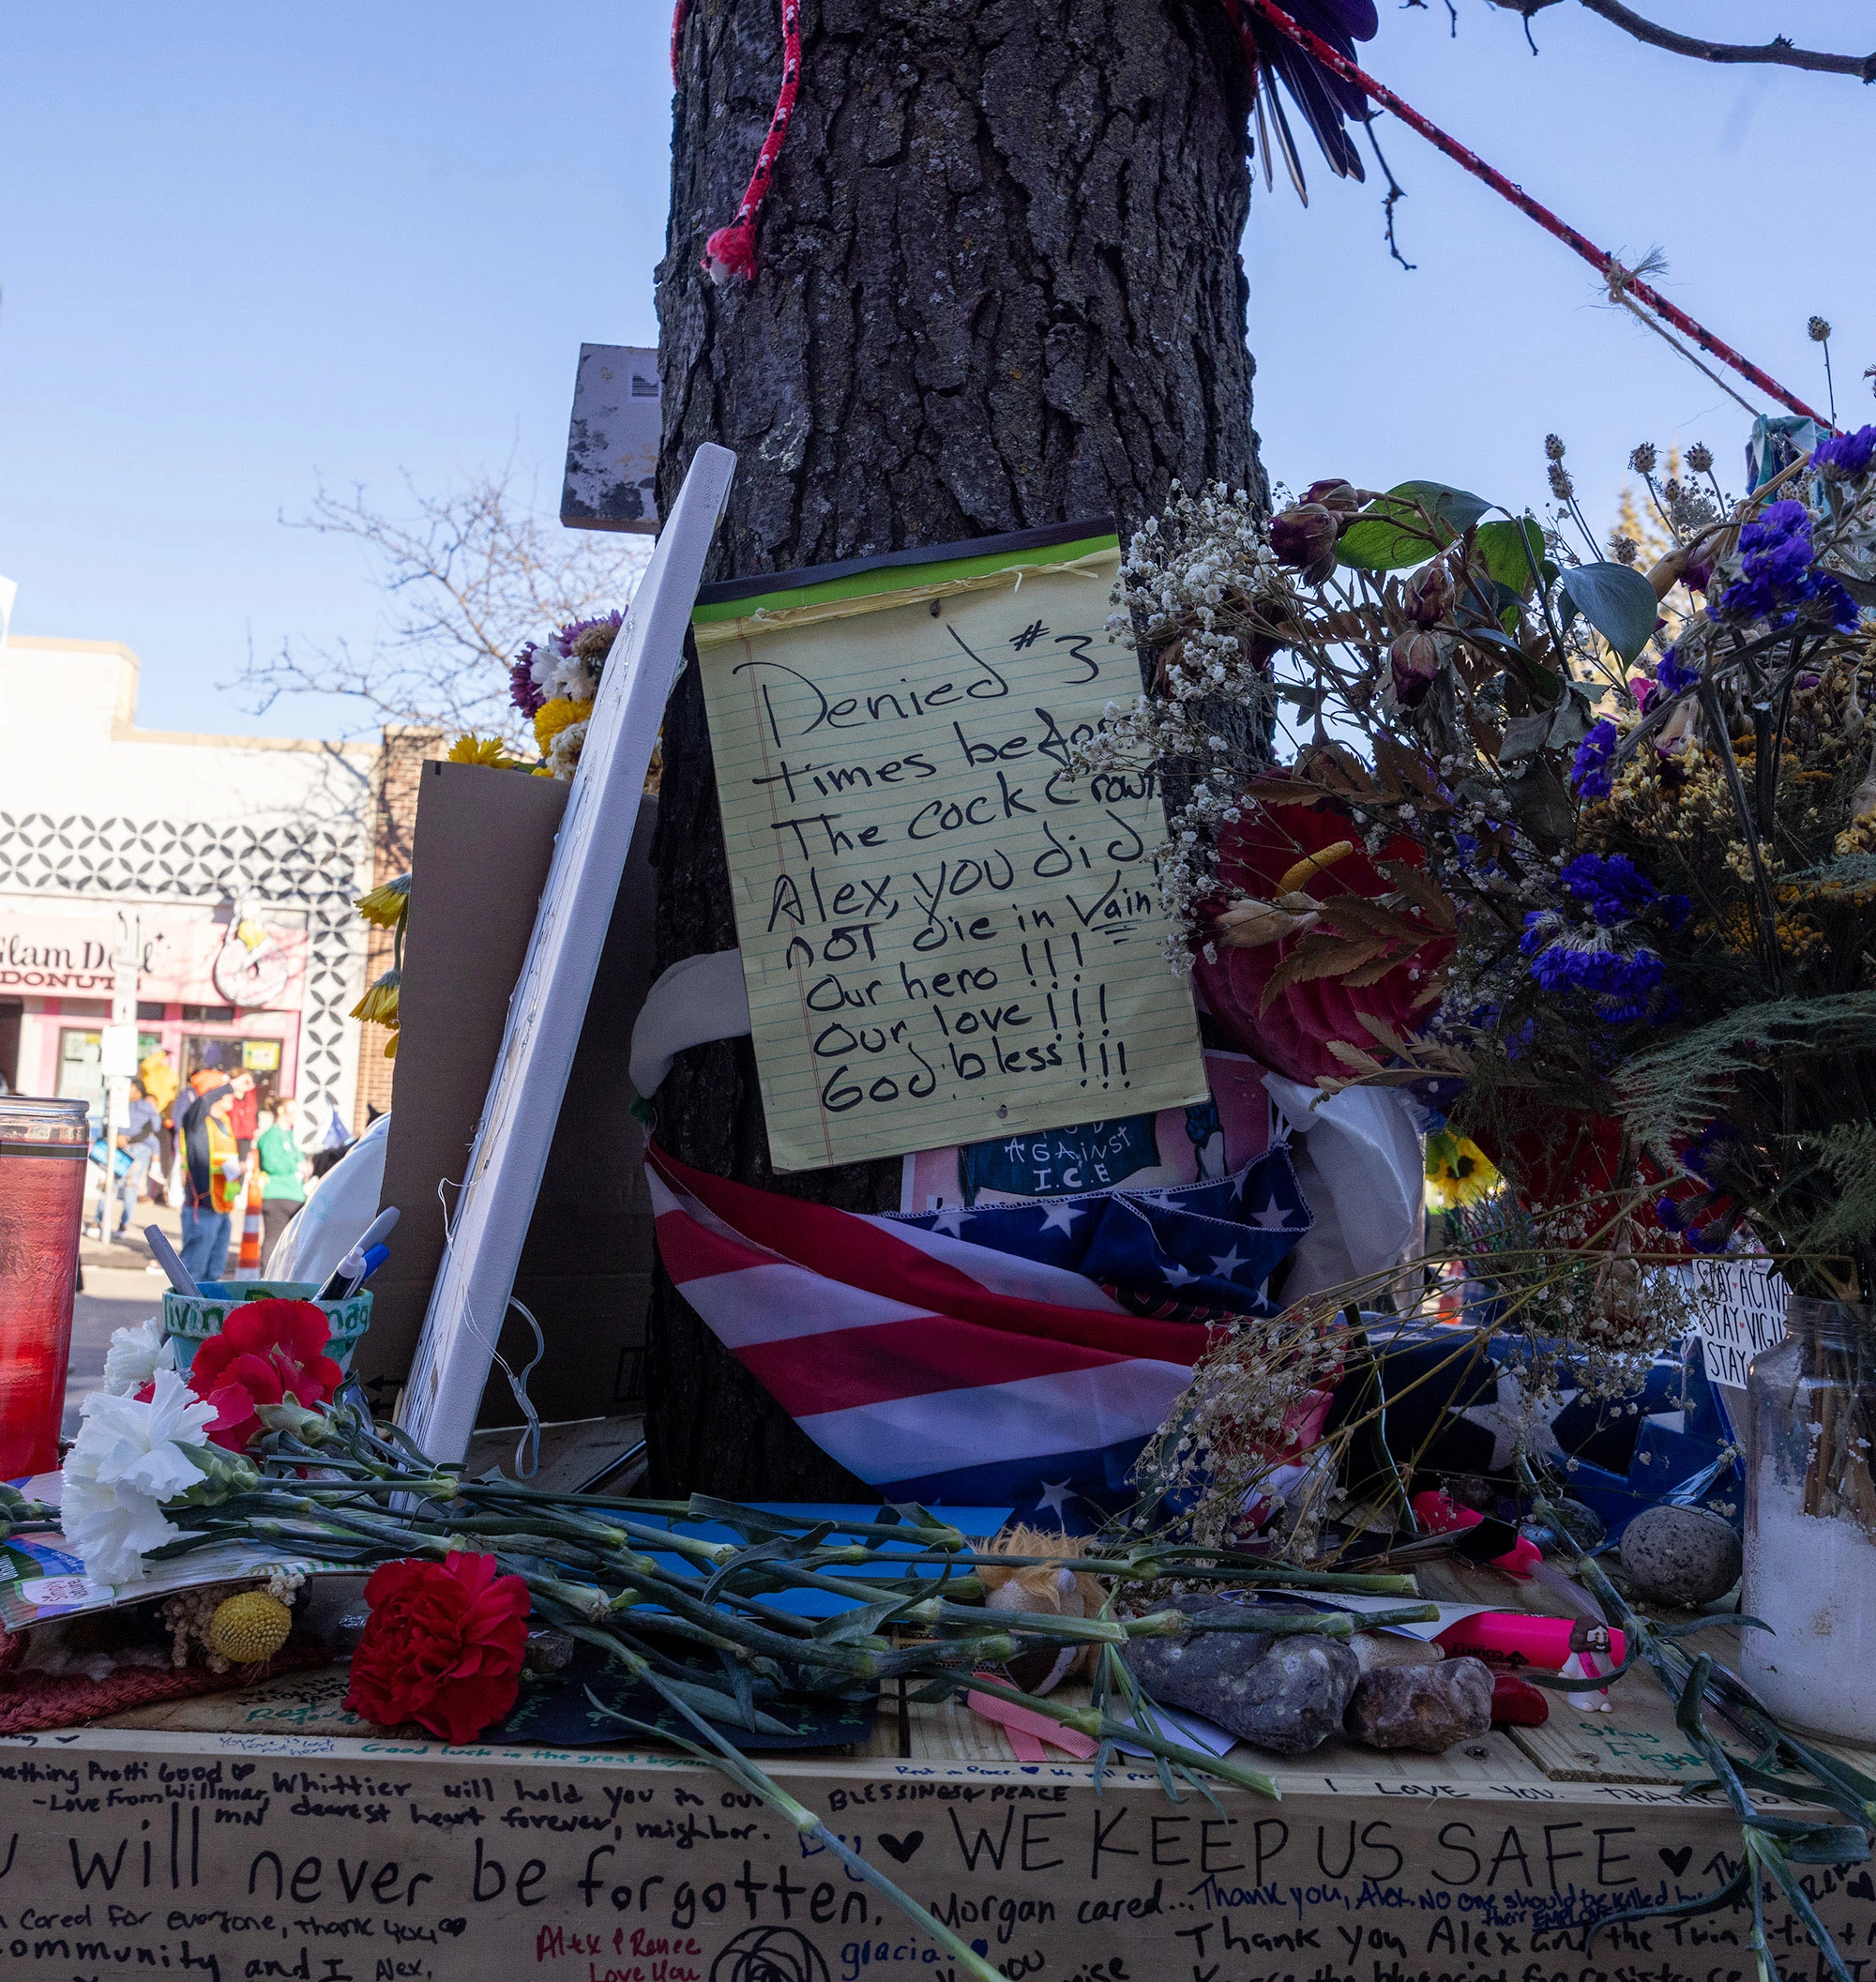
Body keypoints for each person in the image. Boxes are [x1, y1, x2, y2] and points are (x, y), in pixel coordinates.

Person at [176, 1070, 253, 1284]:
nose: (231, 1094)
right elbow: (203, 1101)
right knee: (193, 1275)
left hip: (222, 1207)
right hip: (201, 1209)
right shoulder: (196, 1122)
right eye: (224, 1090)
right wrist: (232, 1083)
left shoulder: (224, 1122)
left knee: (213, 1274)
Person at [95, 1077, 161, 1239]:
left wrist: (130, 1139)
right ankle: (98, 1221)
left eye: (130, 1088)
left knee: (130, 1187)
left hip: (138, 1149)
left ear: (138, 1090)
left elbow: (153, 1127)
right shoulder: (119, 1103)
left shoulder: (145, 1106)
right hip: (119, 1147)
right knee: (110, 1183)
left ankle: (123, 1225)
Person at [255, 1095, 309, 1265]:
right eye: (292, 1110)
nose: (295, 1114)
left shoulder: (289, 1136)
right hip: (277, 1195)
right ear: (280, 1111)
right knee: (274, 1238)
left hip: (294, 1194)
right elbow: (272, 1163)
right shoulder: (271, 1136)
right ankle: (267, 1277)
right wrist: (296, 1166)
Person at [139, 1047, 179, 1201]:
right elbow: (146, 1066)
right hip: (147, 1117)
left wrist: (170, 1115)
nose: (164, 1058)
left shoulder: (170, 1074)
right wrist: (160, 1053)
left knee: (164, 1156)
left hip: (164, 1120)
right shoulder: (148, 1070)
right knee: (145, 1152)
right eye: (162, 1055)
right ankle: (141, 1191)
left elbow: (172, 1096)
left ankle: (161, 1191)